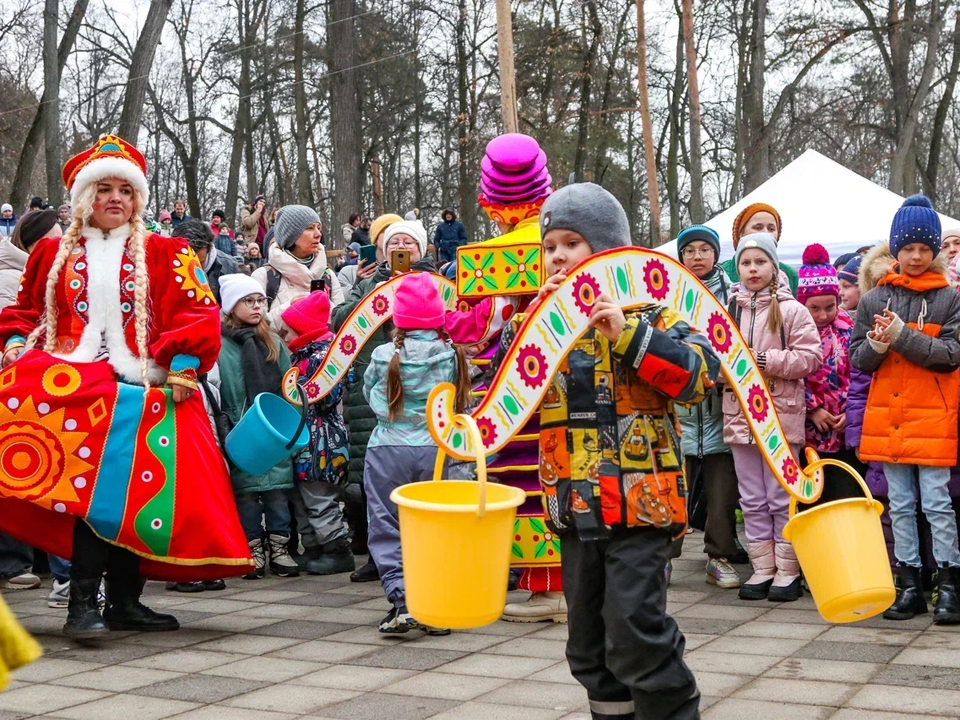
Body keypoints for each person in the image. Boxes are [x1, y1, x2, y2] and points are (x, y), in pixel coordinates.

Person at [0, 135, 251, 640]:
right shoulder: (52, 251)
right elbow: (25, 312)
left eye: (125, 190)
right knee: (90, 498)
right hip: (69, 389)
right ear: (82, 198)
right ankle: (82, 604)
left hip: (148, 390)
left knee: (142, 497)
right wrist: (13, 341)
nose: (116, 198)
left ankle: (124, 601)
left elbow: (195, 312)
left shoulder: (166, 251)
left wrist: (181, 364)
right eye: (103, 189)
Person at [531, 184, 716, 720]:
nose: (559, 255)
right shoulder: (543, 324)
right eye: (551, 246)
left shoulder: (654, 313)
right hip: (574, 503)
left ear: (609, 249)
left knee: (636, 631)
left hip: (642, 504)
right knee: (587, 647)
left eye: (573, 242)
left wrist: (626, 333)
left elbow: (700, 378)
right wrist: (528, 331)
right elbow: (506, 396)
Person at [850, 195, 960, 624]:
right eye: (908, 248)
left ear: (936, 252)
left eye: (924, 248)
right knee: (899, 504)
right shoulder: (873, 299)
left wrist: (901, 336)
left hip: (933, 418)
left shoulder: (950, 299)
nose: (916, 256)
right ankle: (909, 583)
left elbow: (951, 354)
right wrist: (877, 345)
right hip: (889, 417)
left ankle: (948, 585)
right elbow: (858, 358)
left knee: (936, 503)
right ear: (895, 249)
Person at [363, 272, 471, 633]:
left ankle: (402, 599)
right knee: (434, 526)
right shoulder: (452, 353)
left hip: (386, 449)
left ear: (398, 318)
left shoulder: (382, 355)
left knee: (386, 523)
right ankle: (434, 602)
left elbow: (370, 396)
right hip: (437, 450)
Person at [331, 219, 436, 584]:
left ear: (422, 251)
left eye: (409, 242)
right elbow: (339, 322)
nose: (401, 248)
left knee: (420, 486)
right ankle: (381, 560)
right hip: (374, 388)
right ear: (382, 250)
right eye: (394, 243)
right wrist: (374, 292)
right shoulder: (367, 283)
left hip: (421, 393)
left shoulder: (433, 285)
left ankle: (420, 561)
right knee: (372, 484)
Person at [724, 233, 822, 603]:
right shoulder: (728, 309)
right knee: (750, 498)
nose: (753, 269)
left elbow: (810, 359)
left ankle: (788, 570)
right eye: (746, 263)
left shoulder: (793, 310)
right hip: (739, 418)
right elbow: (710, 359)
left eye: (760, 262)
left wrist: (763, 361)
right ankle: (762, 568)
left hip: (780, 419)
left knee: (781, 496)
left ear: (773, 266)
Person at [673, 225, 744, 589]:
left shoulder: (734, 298)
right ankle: (664, 559)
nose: (697, 256)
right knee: (671, 488)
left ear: (717, 255)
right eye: (689, 251)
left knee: (722, 490)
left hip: (721, 408)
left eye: (704, 249)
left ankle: (719, 555)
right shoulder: (666, 295)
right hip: (680, 409)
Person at [217, 274, 300, 580]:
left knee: (278, 493)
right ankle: (252, 548)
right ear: (230, 306)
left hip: (274, 429)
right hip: (240, 429)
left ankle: (280, 548)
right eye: (247, 301)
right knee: (246, 495)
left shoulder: (273, 341)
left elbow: (290, 386)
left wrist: (289, 423)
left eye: (260, 301)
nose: (255, 307)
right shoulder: (219, 346)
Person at [279, 292, 354, 575]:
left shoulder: (322, 357)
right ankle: (314, 548)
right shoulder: (304, 355)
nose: (284, 334)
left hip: (322, 440)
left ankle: (337, 550)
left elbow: (326, 396)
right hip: (308, 437)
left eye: (289, 328)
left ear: (303, 328)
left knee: (320, 499)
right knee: (304, 498)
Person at [798, 244, 862, 503]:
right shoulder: (795, 332)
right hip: (808, 433)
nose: (823, 315)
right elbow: (789, 377)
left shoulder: (851, 329)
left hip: (845, 428)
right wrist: (812, 409)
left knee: (847, 492)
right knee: (816, 496)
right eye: (815, 308)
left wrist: (851, 411)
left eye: (830, 306)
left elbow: (860, 373)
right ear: (803, 304)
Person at [251, 205, 344, 328]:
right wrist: (292, 307)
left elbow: (342, 326)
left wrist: (328, 308)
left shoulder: (328, 275)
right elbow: (257, 328)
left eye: (319, 228)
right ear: (291, 235)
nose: (318, 234)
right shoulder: (264, 276)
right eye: (310, 228)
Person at [719, 203, 800, 295]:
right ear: (741, 233)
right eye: (758, 227)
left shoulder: (790, 274)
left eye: (771, 229)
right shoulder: (721, 272)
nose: (766, 233)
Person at [172, 219, 238, 305]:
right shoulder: (166, 265)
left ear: (208, 248)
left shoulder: (231, 268)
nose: (193, 269)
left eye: (199, 263)